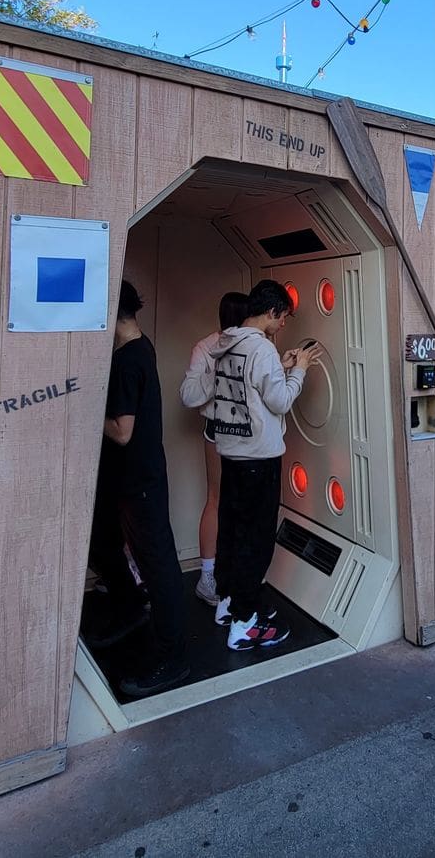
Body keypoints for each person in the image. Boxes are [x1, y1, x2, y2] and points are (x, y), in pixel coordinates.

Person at [84, 280, 188, 696]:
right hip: (128, 478)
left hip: (138, 480)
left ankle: (172, 656)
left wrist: (84, 410)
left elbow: (122, 431)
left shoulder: (128, 360)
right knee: (103, 542)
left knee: (158, 566)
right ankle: (129, 609)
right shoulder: (140, 347)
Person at [211, 280, 322, 651]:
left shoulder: (227, 342)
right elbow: (279, 401)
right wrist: (300, 369)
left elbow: (246, 387)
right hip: (259, 457)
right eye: (284, 318)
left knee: (232, 531)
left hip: (232, 452)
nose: (284, 326)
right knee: (255, 541)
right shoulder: (260, 349)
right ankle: (244, 624)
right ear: (272, 311)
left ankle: (227, 604)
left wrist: (282, 363)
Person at [179, 292, 249, 606]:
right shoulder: (206, 347)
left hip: (251, 434)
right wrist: (219, 374)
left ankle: (238, 571)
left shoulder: (256, 345)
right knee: (217, 499)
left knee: (244, 502)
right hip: (219, 429)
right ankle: (207, 577)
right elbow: (189, 395)